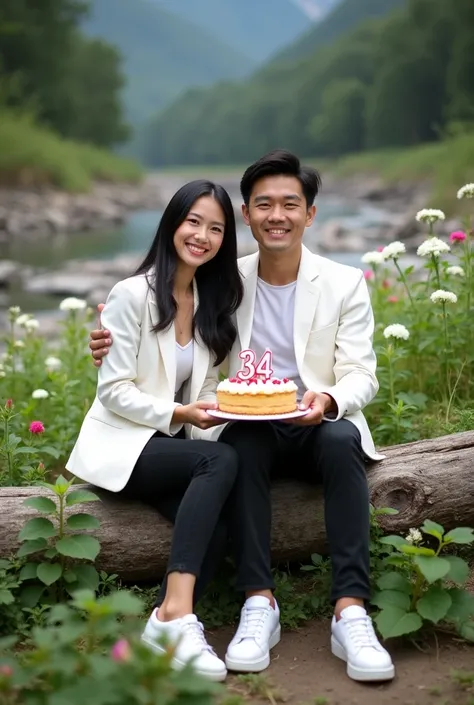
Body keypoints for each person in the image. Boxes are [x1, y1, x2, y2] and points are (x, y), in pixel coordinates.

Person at [88, 150, 395, 683]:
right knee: (235, 450)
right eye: (264, 205)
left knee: (341, 440)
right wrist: (106, 342)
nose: (277, 215)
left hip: (317, 420)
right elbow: (180, 344)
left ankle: (351, 610)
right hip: (247, 425)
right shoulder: (224, 282)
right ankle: (258, 603)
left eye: (290, 204)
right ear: (248, 216)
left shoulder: (345, 282)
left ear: (310, 214)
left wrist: (327, 401)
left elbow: (361, 375)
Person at [66, 179, 244, 682]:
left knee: (221, 530)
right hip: (123, 444)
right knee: (219, 461)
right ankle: (180, 617)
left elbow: (206, 387)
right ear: (172, 224)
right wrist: (181, 414)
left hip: (172, 448)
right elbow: (113, 390)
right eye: (194, 222)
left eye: (215, 229)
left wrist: (227, 411)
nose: (202, 236)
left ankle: (165, 619)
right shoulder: (131, 294)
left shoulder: (211, 303)